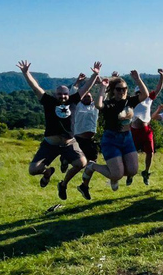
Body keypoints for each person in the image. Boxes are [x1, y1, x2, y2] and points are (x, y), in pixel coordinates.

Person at [16, 60, 101, 201]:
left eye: (64, 94)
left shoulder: (73, 101)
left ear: (68, 95)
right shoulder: (49, 102)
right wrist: (26, 73)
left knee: (81, 163)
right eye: (60, 94)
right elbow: (35, 87)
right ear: (55, 94)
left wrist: (94, 75)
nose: (62, 96)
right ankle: (48, 172)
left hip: (69, 143)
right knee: (33, 170)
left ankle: (63, 184)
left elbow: (85, 88)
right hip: (50, 144)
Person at [79, 71, 149, 199]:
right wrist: (103, 87)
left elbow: (145, 95)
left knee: (132, 171)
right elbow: (98, 105)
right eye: (118, 89)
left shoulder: (130, 101)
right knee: (117, 174)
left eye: (124, 89)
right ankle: (92, 166)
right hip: (111, 139)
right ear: (113, 90)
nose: (122, 91)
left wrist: (137, 79)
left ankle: (113, 174)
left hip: (127, 138)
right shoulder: (109, 104)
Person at [130, 68, 163, 186]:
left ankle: (146, 172)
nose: (140, 94)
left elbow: (158, 88)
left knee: (150, 152)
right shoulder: (132, 102)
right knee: (131, 153)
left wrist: (162, 76)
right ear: (135, 94)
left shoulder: (148, 99)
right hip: (134, 130)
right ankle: (130, 173)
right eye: (138, 93)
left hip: (146, 130)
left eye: (141, 92)